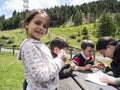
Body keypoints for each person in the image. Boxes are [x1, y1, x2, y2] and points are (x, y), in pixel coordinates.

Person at [17, 9, 67, 90]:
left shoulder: (39, 45)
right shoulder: (29, 46)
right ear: (27, 24)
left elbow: (47, 66)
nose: (41, 27)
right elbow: (41, 76)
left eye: (45, 26)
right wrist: (59, 60)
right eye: (37, 23)